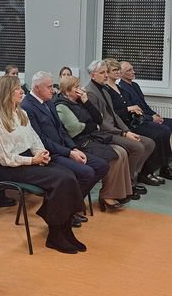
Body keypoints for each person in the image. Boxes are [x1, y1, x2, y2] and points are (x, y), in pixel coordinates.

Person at [0, 75, 86, 254]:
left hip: (28, 160)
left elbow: (34, 139)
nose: (21, 92)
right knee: (60, 180)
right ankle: (55, 234)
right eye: (17, 89)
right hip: (10, 168)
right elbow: (5, 158)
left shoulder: (20, 113)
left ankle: (64, 229)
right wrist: (33, 160)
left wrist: (41, 153)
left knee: (69, 175)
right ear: (7, 93)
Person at [21, 71, 107, 225]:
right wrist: (69, 153)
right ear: (37, 87)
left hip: (64, 149)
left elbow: (61, 129)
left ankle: (63, 208)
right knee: (86, 173)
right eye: (49, 87)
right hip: (50, 154)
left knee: (101, 166)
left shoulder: (48, 101)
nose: (53, 90)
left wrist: (73, 148)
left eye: (52, 86)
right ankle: (64, 211)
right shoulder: (27, 106)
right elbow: (41, 140)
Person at [55, 75, 133, 209]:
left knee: (122, 152)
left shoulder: (80, 101)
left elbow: (98, 119)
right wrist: (92, 126)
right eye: (76, 87)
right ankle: (107, 195)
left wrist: (86, 102)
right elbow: (75, 129)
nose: (81, 89)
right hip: (79, 142)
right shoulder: (61, 106)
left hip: (92, 137)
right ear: (67, 91)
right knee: (115, 156)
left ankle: (120, 193)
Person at [84, 60, 157, 190]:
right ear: (92, 75)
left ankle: (131, 176)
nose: (106, 75)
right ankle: (128, 182)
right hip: (105, 132)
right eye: (102, 73)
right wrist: (123, 133)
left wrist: (126, 130)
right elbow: (100, 121)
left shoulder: (104, 90)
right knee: (138, 147)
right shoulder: (90, 92)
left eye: (106, 72)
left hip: (116, 129)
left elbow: (114, 115)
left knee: (149, 143)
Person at [118, 60, 172, 174]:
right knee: (163, 131)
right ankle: (164, 166)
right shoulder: (122, 89)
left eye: (132, 69)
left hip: (149, 117)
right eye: (129, 70)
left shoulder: (135, 85)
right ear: (121, 74)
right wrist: (152, 119)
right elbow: (134, 113)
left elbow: (144, 105)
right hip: (141, 122)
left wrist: (154, 115)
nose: (133, 72)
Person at [102, 59, 172, 182]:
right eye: (114, 70)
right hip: (123, 126)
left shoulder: (120, 88)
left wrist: (136, 111)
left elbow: (135, 106)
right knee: (157, 134)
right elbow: (111, 114)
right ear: (107, 73)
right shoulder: (106, 90)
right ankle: (144, 173)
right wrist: (129, 109)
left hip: (132, 121)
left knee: (163, 131)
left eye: (118, 70)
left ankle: (155, 169)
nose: (117, 72)